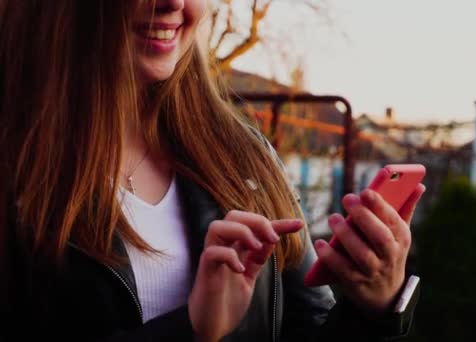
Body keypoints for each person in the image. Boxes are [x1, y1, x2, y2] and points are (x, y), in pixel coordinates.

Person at [0, 1, 425, 341]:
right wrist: (191, 330)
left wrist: (376, 308)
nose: (172, 5)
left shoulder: (240, 151)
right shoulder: (17, 162)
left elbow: (310, 325)